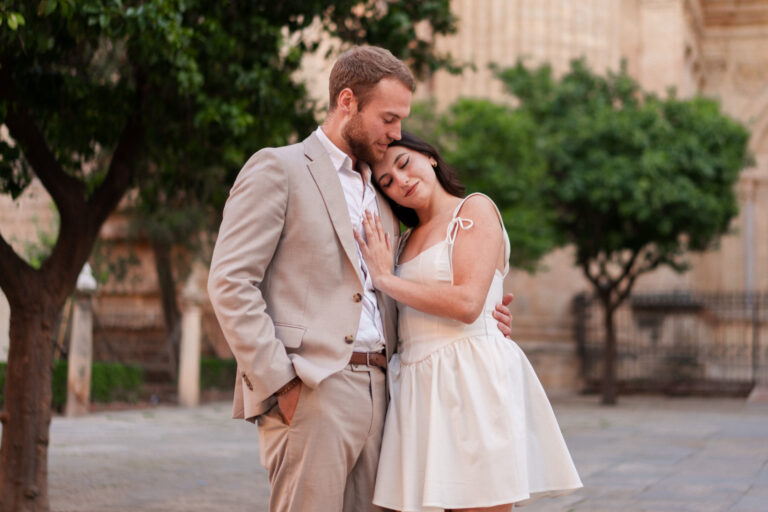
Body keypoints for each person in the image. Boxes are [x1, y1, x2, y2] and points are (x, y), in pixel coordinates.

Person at [207, 46, 514, 512]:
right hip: (313, 388)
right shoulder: (279, 167)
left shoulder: (384, 194)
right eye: (388, 118)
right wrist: (281, 385)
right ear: (347, 101)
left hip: (389, 392)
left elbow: (405, 281)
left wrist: (483, 319)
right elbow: (230, 282)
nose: (396, 134)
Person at [355, 131, 583, 512]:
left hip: (470, 381)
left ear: (428, 157)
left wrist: (386, 280)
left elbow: (466, 303)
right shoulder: (399, 241)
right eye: (387, 182)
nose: (401, 181)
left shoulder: (474, 210)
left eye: (403, 163)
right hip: (415, 385)